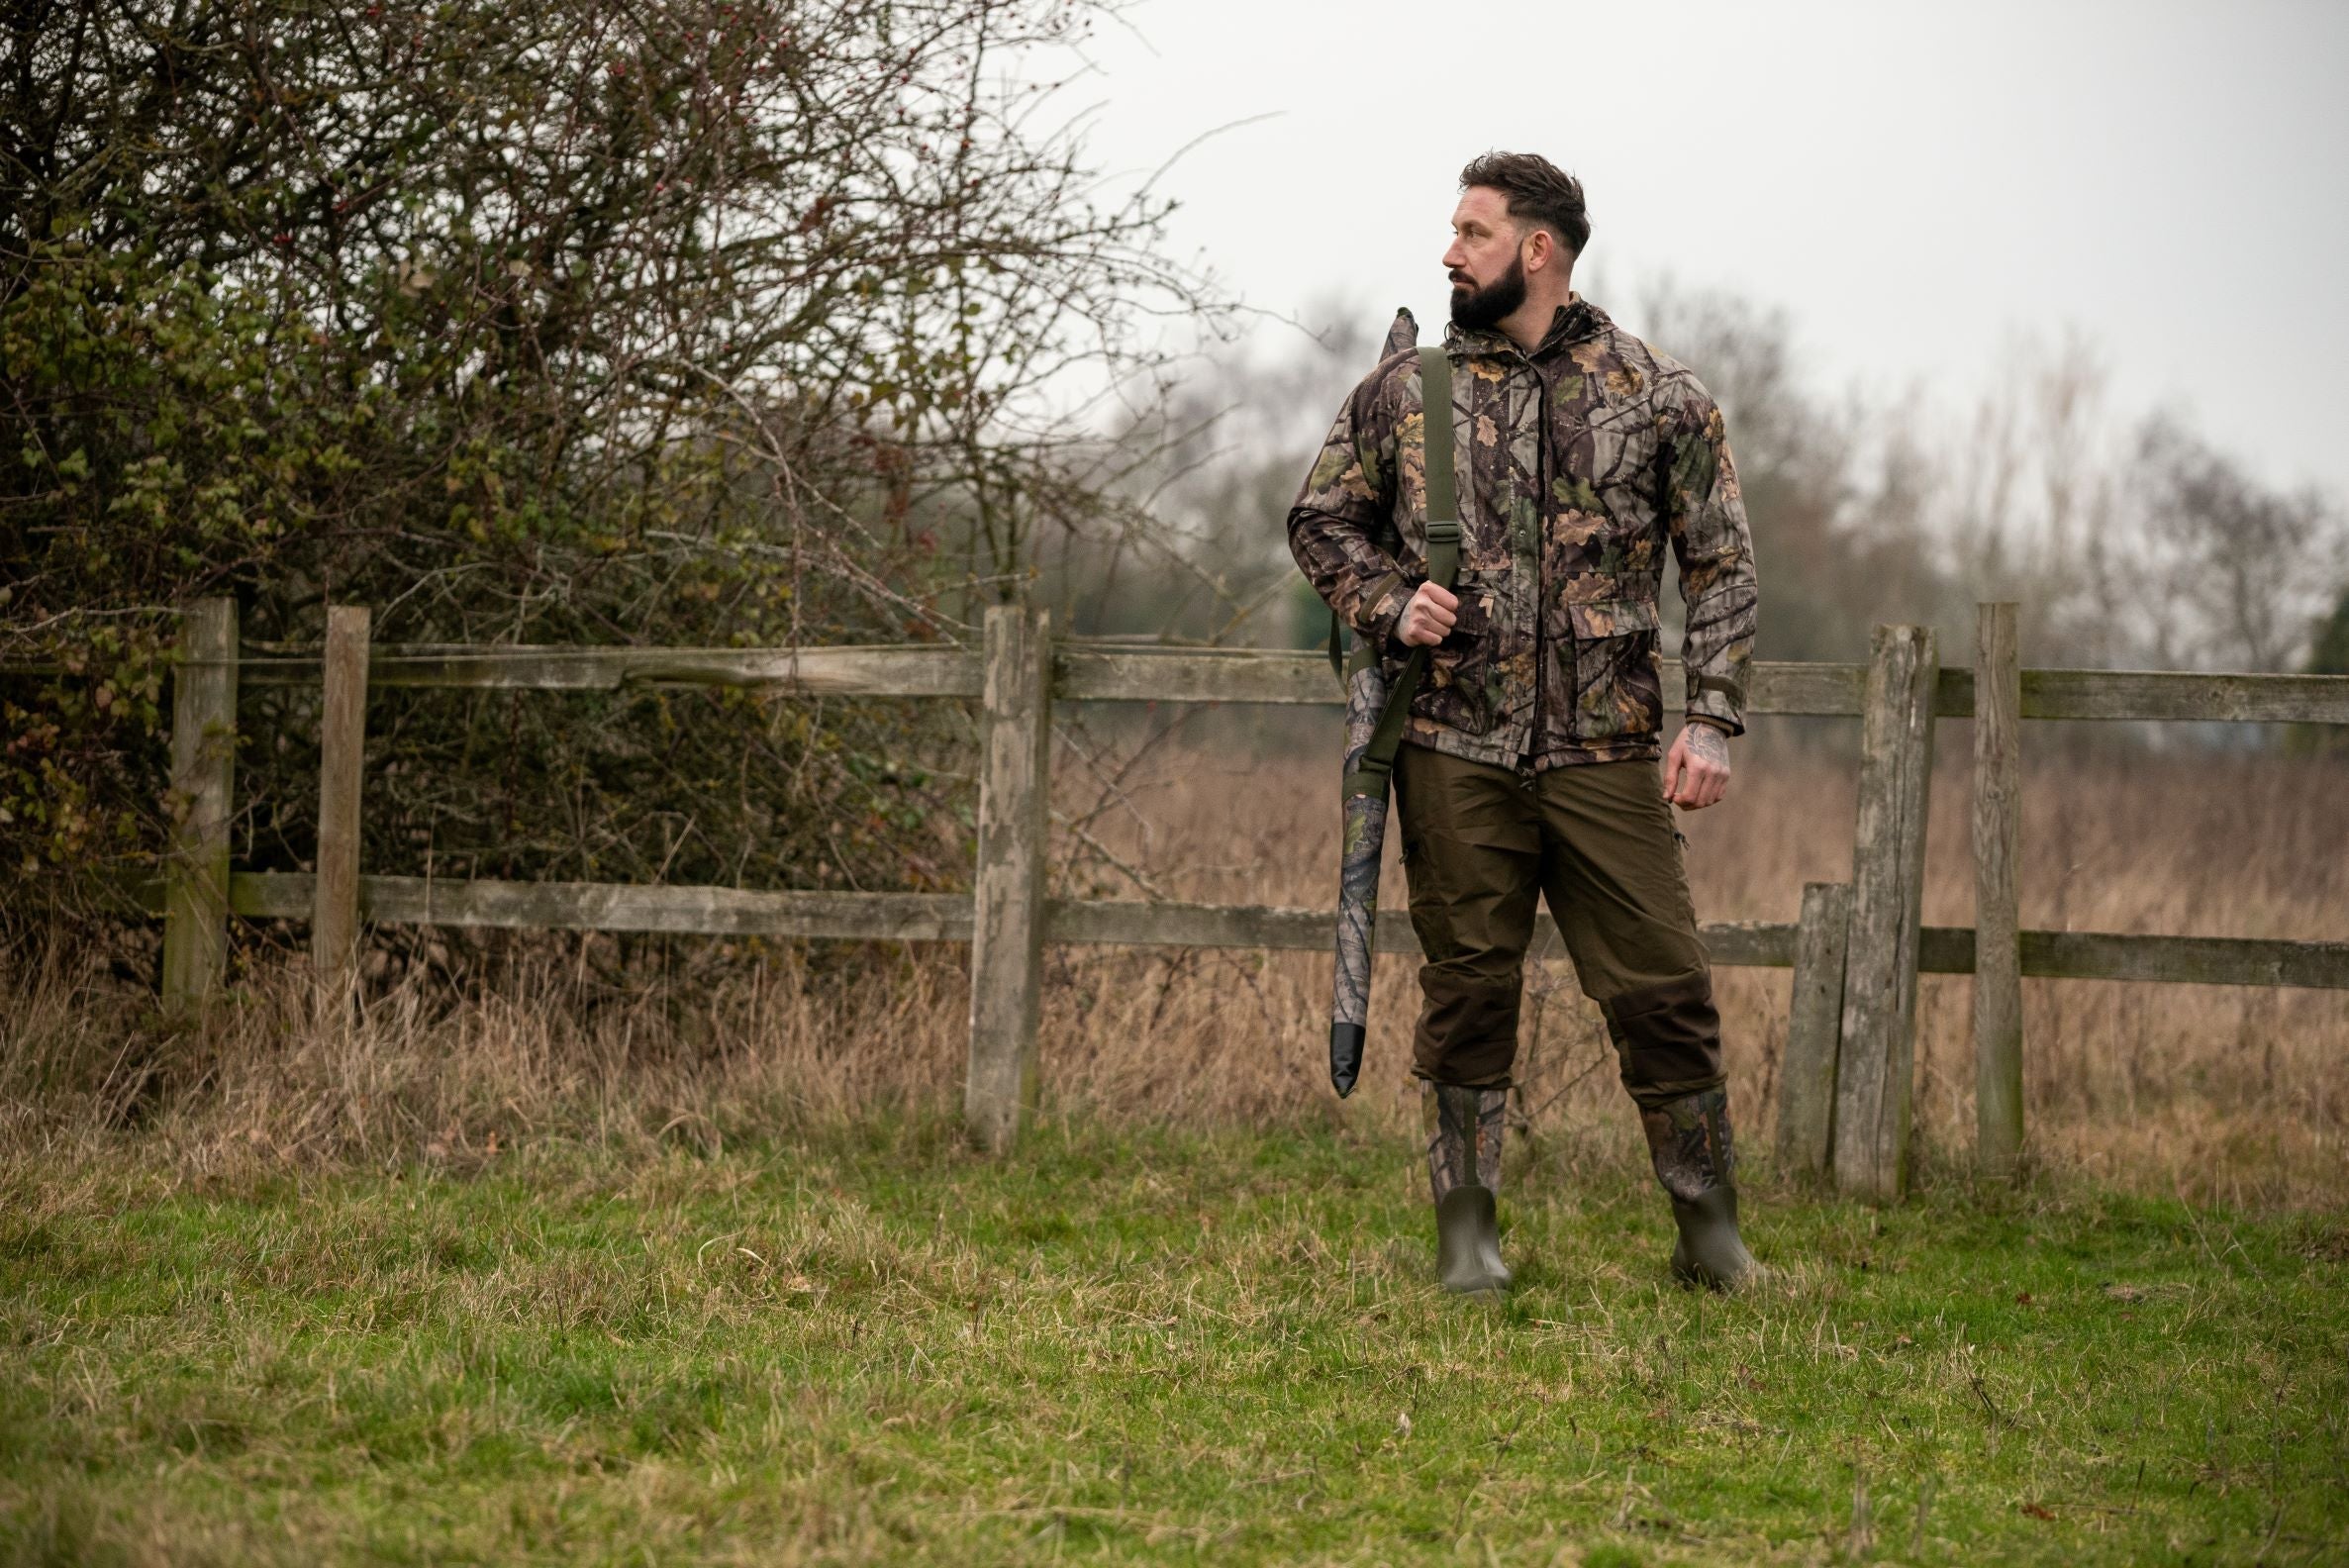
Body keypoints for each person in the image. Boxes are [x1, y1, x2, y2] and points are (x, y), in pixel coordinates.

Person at [1287, 151, 1761, 1294]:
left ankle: (1712, 1241)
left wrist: (1711, 720)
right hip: (1453, 747)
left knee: (1665, 993)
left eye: (1472, 231)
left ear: (1536, 250)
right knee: (1467, 994)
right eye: (1453, 233)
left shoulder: (1660, 395)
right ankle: (1468, 1244)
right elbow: (1318, 523)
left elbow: (1722, 564)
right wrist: (1391, 604)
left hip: (1606, 753)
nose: (1450, 252)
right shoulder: (1408, 394)